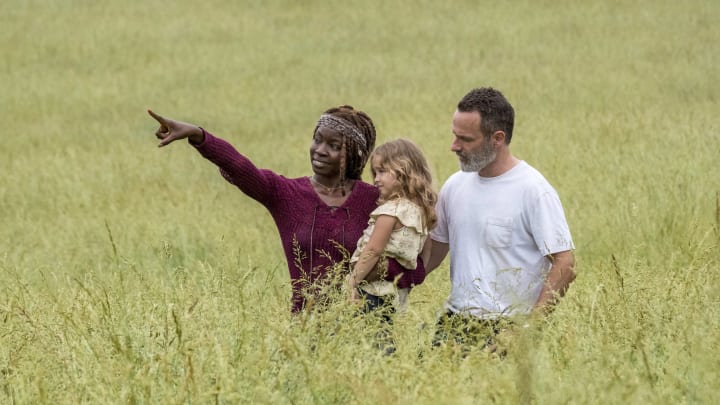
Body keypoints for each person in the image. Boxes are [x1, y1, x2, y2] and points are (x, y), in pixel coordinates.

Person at [148, 106, 424, 313]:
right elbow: (241, 168)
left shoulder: (377, 201)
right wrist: (199, 136)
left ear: (353, 154)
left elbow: (414, 265)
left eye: (334, 146)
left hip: (366, 325)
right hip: (305, 328)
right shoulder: (287, 195)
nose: (320, 150)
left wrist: (378, 271)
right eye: (318, 139)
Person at [425, 87, 576, 351]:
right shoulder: (454, 186)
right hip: (453, 323)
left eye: (465, 139)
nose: (454, 146)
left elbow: (565, 263)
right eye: (454, 136)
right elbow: (432, 255)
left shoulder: (533, 190)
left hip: (508, 329)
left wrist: (527, 330)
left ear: (497, 138)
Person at [346, 139, 437, 314]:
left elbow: (373, 250)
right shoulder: (420, 212)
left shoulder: (391, 211)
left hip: (371, 292)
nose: (376, 180)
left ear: (404, 171)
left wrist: (352, 283)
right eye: (375, 173)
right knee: (385, 337)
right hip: (396, 295)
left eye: (381, 171)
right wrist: (414, 276)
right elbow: (427, 249)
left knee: (367, 338)